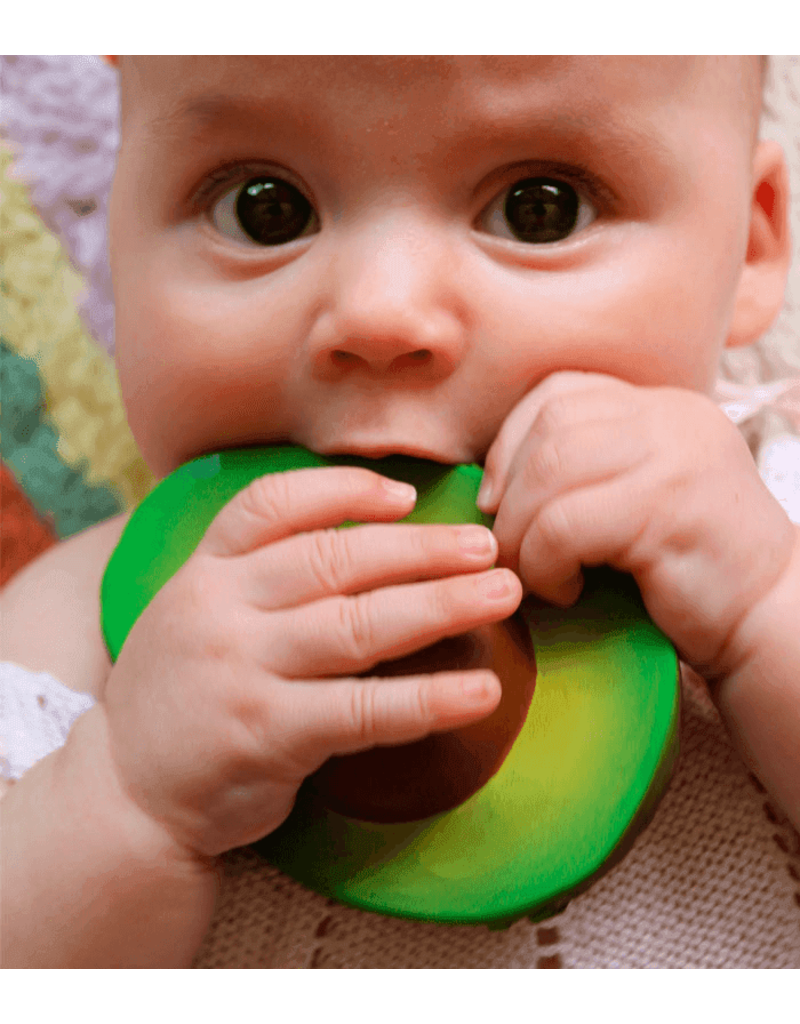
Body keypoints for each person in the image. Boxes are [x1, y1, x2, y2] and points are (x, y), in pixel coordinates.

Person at [2, 55, 799, 969]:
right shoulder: (85, 639)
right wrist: (126, 799)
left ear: (749, 245)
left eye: (541, 207)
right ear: (117, 233)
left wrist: (765, 610)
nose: (380, 314)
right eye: (267, 209)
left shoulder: (773, 526)